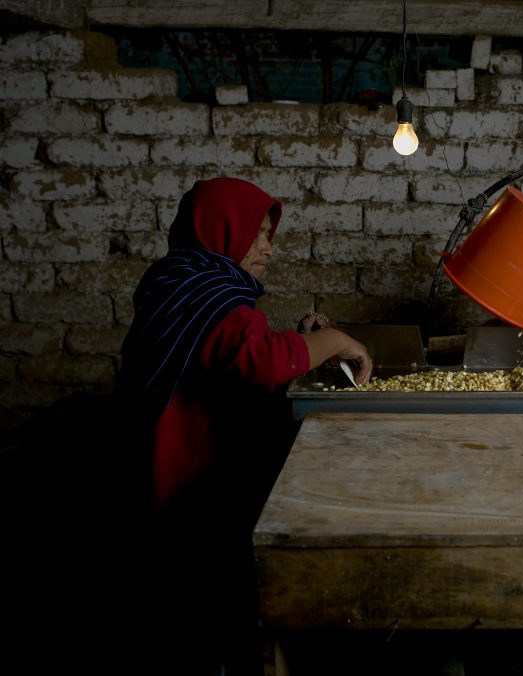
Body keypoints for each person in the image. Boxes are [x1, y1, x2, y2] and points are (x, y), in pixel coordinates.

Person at [115, 176, 373, 675]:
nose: (268, 250)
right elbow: (261, 361)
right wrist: (338, 341)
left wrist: (301, 346)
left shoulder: (180, 280)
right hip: (181, 476)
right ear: (221, 230)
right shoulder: (209, 293)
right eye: (257, 234)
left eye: (269, 236)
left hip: (155, 460)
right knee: (201, 608)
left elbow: (229, 365)